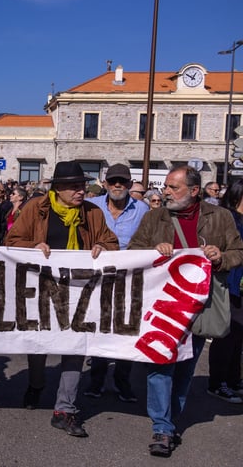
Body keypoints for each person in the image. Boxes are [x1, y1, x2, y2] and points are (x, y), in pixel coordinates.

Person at [128, 165, 243, 457]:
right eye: (166, 186)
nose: (165, 192)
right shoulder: (155, 217)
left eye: (173, 187)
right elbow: (133, 249)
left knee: (185, 368)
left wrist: (220, 258)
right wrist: (155, 249)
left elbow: (238, 252)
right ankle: (162, 427)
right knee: (160, 365)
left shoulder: (221, 217)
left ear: (194, 191)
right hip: (163, 305)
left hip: (199, 306)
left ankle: (170, 416)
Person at [5, 160, 119, 438]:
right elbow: (11, 240)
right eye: (74, 187)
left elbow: (113, 243)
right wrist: (34, 245)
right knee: (39, 345)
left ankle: (64, 409)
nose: (81, 191)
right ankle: (36, 384)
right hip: (41, 288)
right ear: (59, 189)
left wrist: (102, 245)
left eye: (82, 186)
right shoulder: (36, 208)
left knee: (75, 347)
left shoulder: (92, 213)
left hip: (79, 291)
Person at [84, 163, 149, 403]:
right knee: (99, 331)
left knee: (126, 332)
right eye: (113, 181)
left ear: (130, 185)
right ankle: (96, 380)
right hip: (98, 279)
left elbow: (149, 241)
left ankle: (123, 381)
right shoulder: (91, 207)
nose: (118, 185)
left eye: (122, 181)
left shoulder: (142, 210)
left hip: (129, 280)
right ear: (105, 184)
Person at [205, 179, 243, 404]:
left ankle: (233, 378)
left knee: (238, 336)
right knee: (226, 335)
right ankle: (217, 383)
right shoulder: (229, 219)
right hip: (230, 283)